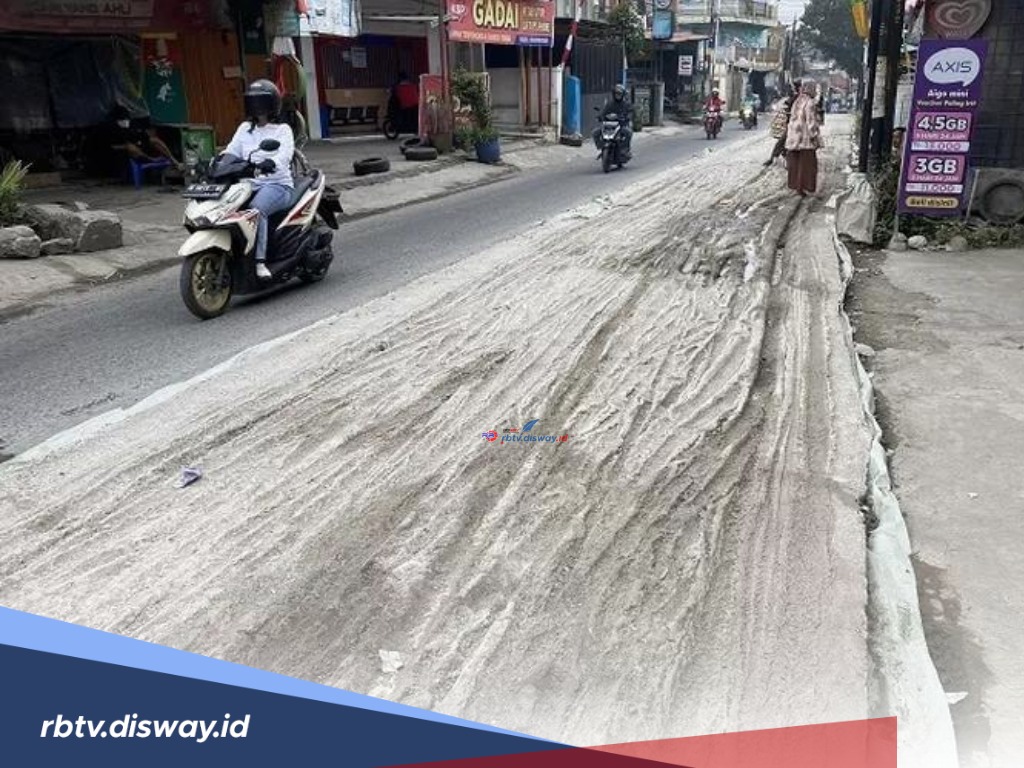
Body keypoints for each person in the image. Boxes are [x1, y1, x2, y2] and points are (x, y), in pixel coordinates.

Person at [223, 79, 295, 280]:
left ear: (272, 104)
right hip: (248, 183)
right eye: (252, 102)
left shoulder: (282, 130)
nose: (257, 107)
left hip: (277, 184)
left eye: (261, 102)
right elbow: (231, 151)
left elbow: (285, 155)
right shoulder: (244, 128)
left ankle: (260, 262)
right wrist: (216, 163)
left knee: (256, 210)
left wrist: (271, 164)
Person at [102, 105, 183, 172]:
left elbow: (143, 136)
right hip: (126, 153)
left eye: (125, 119)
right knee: (130, 147)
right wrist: (126, 146)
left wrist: (145, 138)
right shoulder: (112, 129)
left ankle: (174, 161)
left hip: (140, 146)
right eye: (122, 120)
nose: (124, 121)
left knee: (154, 140)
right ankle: (151, 159)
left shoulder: (132, 124)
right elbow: (112, 146)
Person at [784, 80, 822, 196]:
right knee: (806, 165)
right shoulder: (810, 103)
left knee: (796, 164)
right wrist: (815, 137)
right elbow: (811, 123)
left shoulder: (798, 101)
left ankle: (797, 187)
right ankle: (803, 187)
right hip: (804, 139)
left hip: (793, 137)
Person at [764, 80, 800, 167]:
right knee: (782, 142)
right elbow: (785, 105)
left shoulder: (799, 98)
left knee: (782, 141)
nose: (792, 89)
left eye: (793, 87)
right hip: (791, 123)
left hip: (796, 124)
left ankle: (774, 158)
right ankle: (774, 157)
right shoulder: (792, 97)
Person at [592, 84, 633, 157]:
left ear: (622, 95)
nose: (618, 95)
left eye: (619, 94)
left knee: (628, 133)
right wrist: (600, 116)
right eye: (616, 93)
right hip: (608, 126)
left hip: (620, 126)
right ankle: (601, 147)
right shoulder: (610, 104)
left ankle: (624, 149)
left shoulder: (626, 104)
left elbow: (630, 112)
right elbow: (603, 112)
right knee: (595, 133)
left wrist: (626, 117)